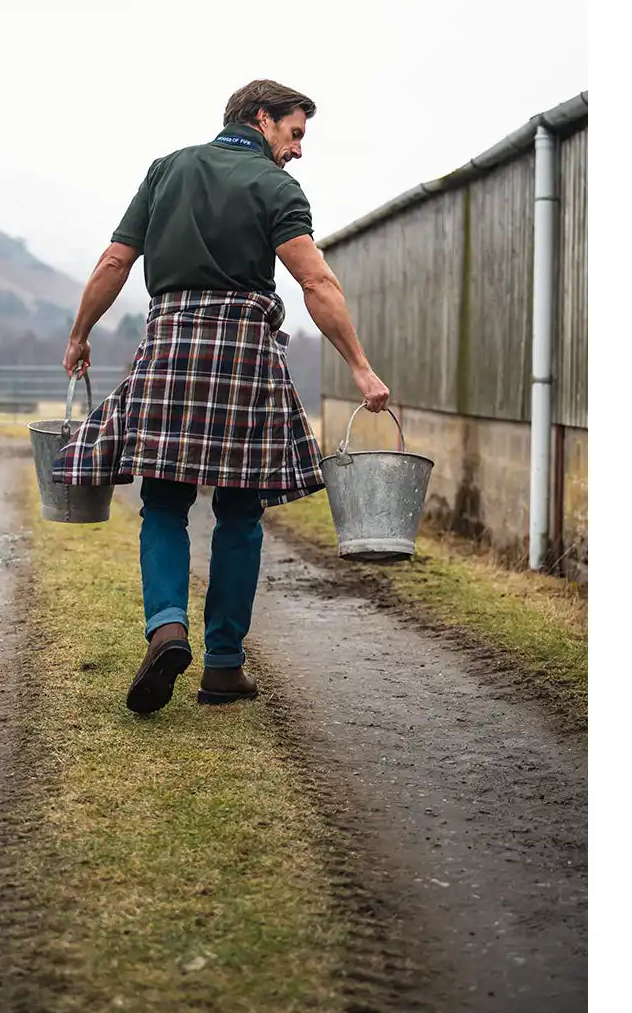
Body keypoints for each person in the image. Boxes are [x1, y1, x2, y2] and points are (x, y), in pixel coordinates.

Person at [53, 79, 391, 715]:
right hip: (242, 356)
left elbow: (113, 264)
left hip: (171, 345)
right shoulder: (277, 188)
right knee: (240, 512)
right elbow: (315, 280)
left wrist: (79, 335)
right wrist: (361, 368)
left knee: (164, 501)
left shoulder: (168, 170)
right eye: (294, 134)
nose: (297, 152)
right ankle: (224, 669)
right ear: (262, 120)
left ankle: (167, 629)